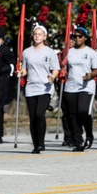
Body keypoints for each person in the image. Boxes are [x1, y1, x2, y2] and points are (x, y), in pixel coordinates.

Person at [18, 24, 60, 154]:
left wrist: (52, 77)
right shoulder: (26, 52)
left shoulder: (49, 52)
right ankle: (35, 144)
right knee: (33, 118)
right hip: (31, 87)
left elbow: (56, 69)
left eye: (40, 34)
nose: (37, 36)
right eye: (35, 34)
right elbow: (25, 69)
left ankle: (41, 142)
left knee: (39, 114)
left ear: (44, 36)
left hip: (45, 87)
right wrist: (21, 73)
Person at [62, 26, 97, 152]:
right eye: (74, 36)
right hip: (71, 86)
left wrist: (90, 75)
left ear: (85, 38)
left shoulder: (91, 52)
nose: (77, 39)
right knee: (73, 115)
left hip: (86, 85)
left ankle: (89, 134)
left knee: (83, 111)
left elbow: (96, 70)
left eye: (80, 36)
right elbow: (64, 67)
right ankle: (79, 141)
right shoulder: (69, 52)